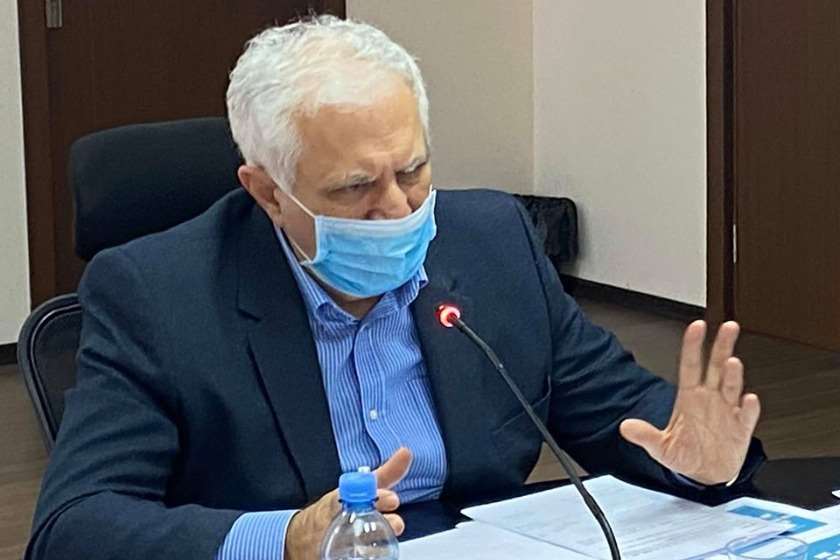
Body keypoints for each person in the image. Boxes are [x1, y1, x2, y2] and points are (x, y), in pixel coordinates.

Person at [26, 15, 765, 560]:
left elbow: (623, 417)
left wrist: (699, 462)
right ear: (268, 192)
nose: (398, 209)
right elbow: (74, 528)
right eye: (354, 187)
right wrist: (287, 539)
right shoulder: (157, 295)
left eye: (412, 170)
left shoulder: (493, 242)